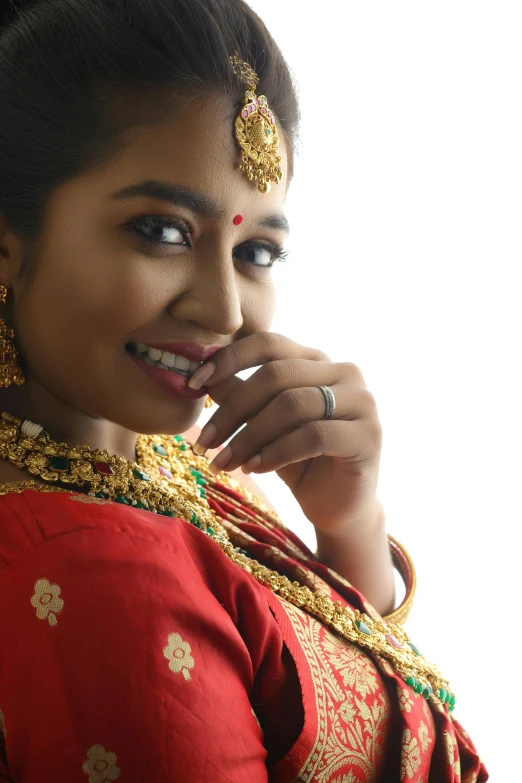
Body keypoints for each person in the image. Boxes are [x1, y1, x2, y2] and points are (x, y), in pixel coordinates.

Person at [0, 0, 488, 780]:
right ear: (8, 247)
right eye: (161, 231)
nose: (223, 310)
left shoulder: (166, 462)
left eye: (257, 249)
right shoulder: (93, 567)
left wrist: (350, 522)